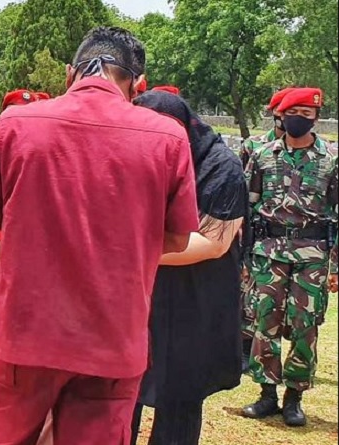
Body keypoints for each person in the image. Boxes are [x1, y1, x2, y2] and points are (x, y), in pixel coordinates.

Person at [0, 27, 199, 445]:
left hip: (24, 333)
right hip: (112, 339)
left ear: (71, 73)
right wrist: (118, 243)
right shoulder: (168, 137)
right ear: (138, 85)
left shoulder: (15, 124)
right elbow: (178, 239)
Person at [130, 91, 247, 445]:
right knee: (121, 393)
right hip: (140, 293)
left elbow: (213, 242)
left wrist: (128, 252)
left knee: (180, 396)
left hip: (195, 294)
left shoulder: (220, 167)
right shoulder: (132, 152)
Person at [242, 87, 338, 427]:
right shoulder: (262, 155)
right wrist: (243, 259)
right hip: (268, 253)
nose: (300, 120)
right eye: (293, 114)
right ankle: (267, 394)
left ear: (316, 118)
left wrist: (336, 265)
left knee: (305, 326)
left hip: (312, 255)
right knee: (264, 322)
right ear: (281, 115)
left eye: (307, 115)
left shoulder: (331, 160)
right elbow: (247, 208)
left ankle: (294, 397)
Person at [238, 86, 295, 372]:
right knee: (250, 294)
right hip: (257, 235)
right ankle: (245, 350)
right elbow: (241, 190)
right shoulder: (254, 147)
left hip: (294, 243)